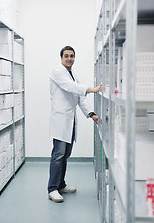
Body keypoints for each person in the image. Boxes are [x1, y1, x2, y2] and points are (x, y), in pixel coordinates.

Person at [48, 45, 102, 203]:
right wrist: (91, 89)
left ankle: (61, 185)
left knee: (65, 155)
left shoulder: (73, 74)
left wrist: (90, 113)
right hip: (60, 120)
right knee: (58, 155)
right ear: (61, 57)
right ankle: (52, 189)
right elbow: (70, 87)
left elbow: (79, 97)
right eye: (66, 56)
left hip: (70, 121)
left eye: (72, 56)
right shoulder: (57, 71)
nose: (69, 58)